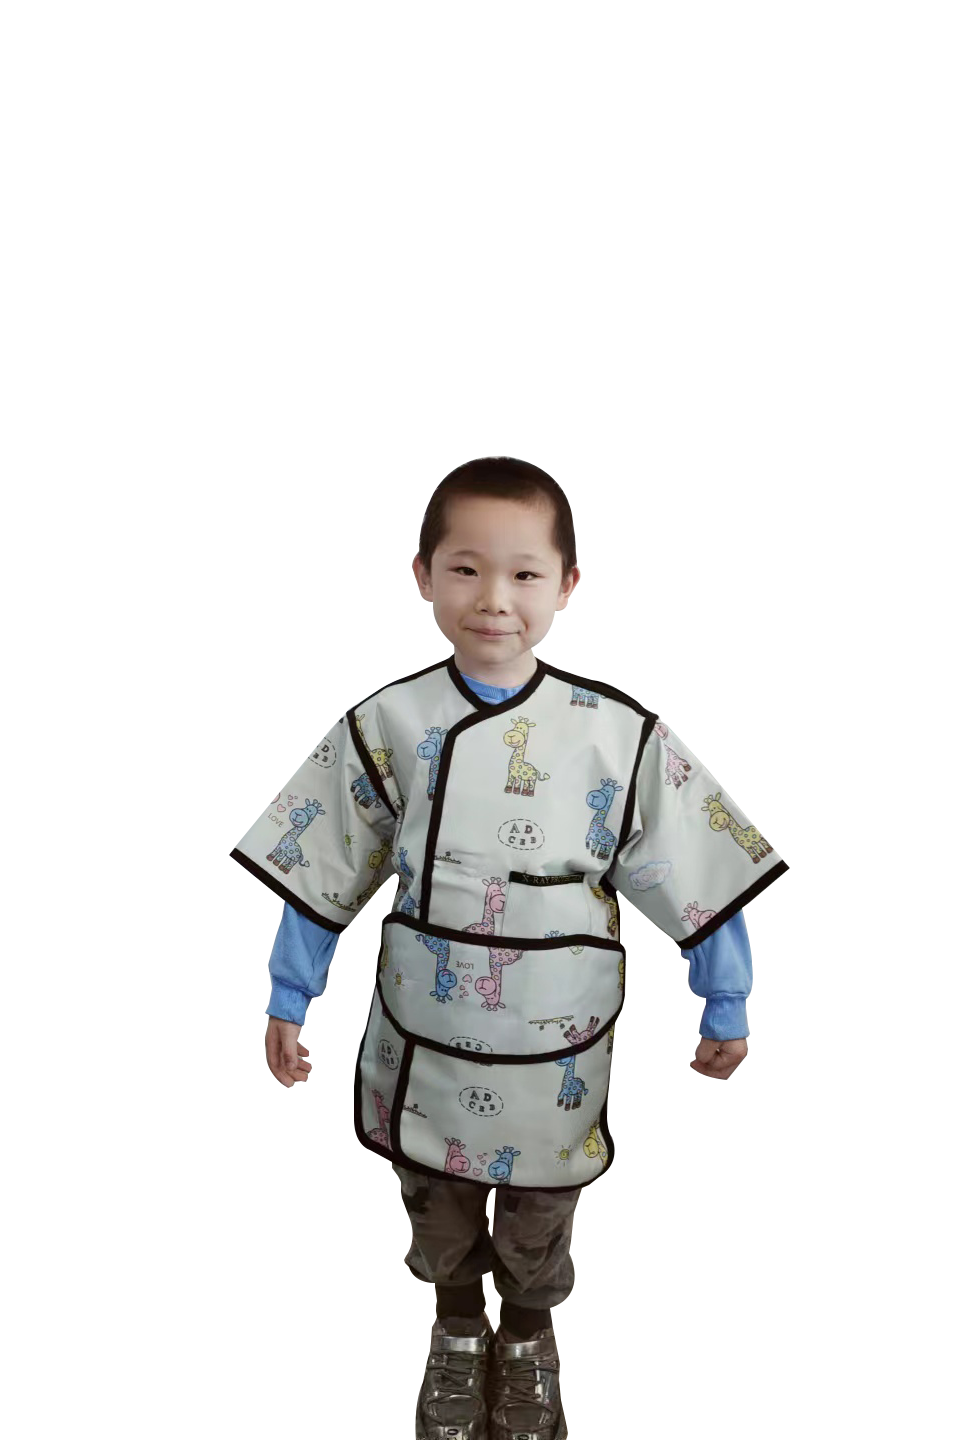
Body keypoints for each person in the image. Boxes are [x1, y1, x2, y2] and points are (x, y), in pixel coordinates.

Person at [231, 457, 788, 1439]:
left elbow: (696, 868)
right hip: (425, 1040)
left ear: (566, 585)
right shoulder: (389, 723)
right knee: (436, 1208)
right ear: (423, 576)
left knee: (540, 1216)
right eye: (466, 568)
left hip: (553, 1049)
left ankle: (527, 1338)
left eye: (525, 573)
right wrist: (289, 995)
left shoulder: (614, 734)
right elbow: (323, 864)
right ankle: (456, 1329)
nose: (495, 598)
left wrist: (727, 1000)